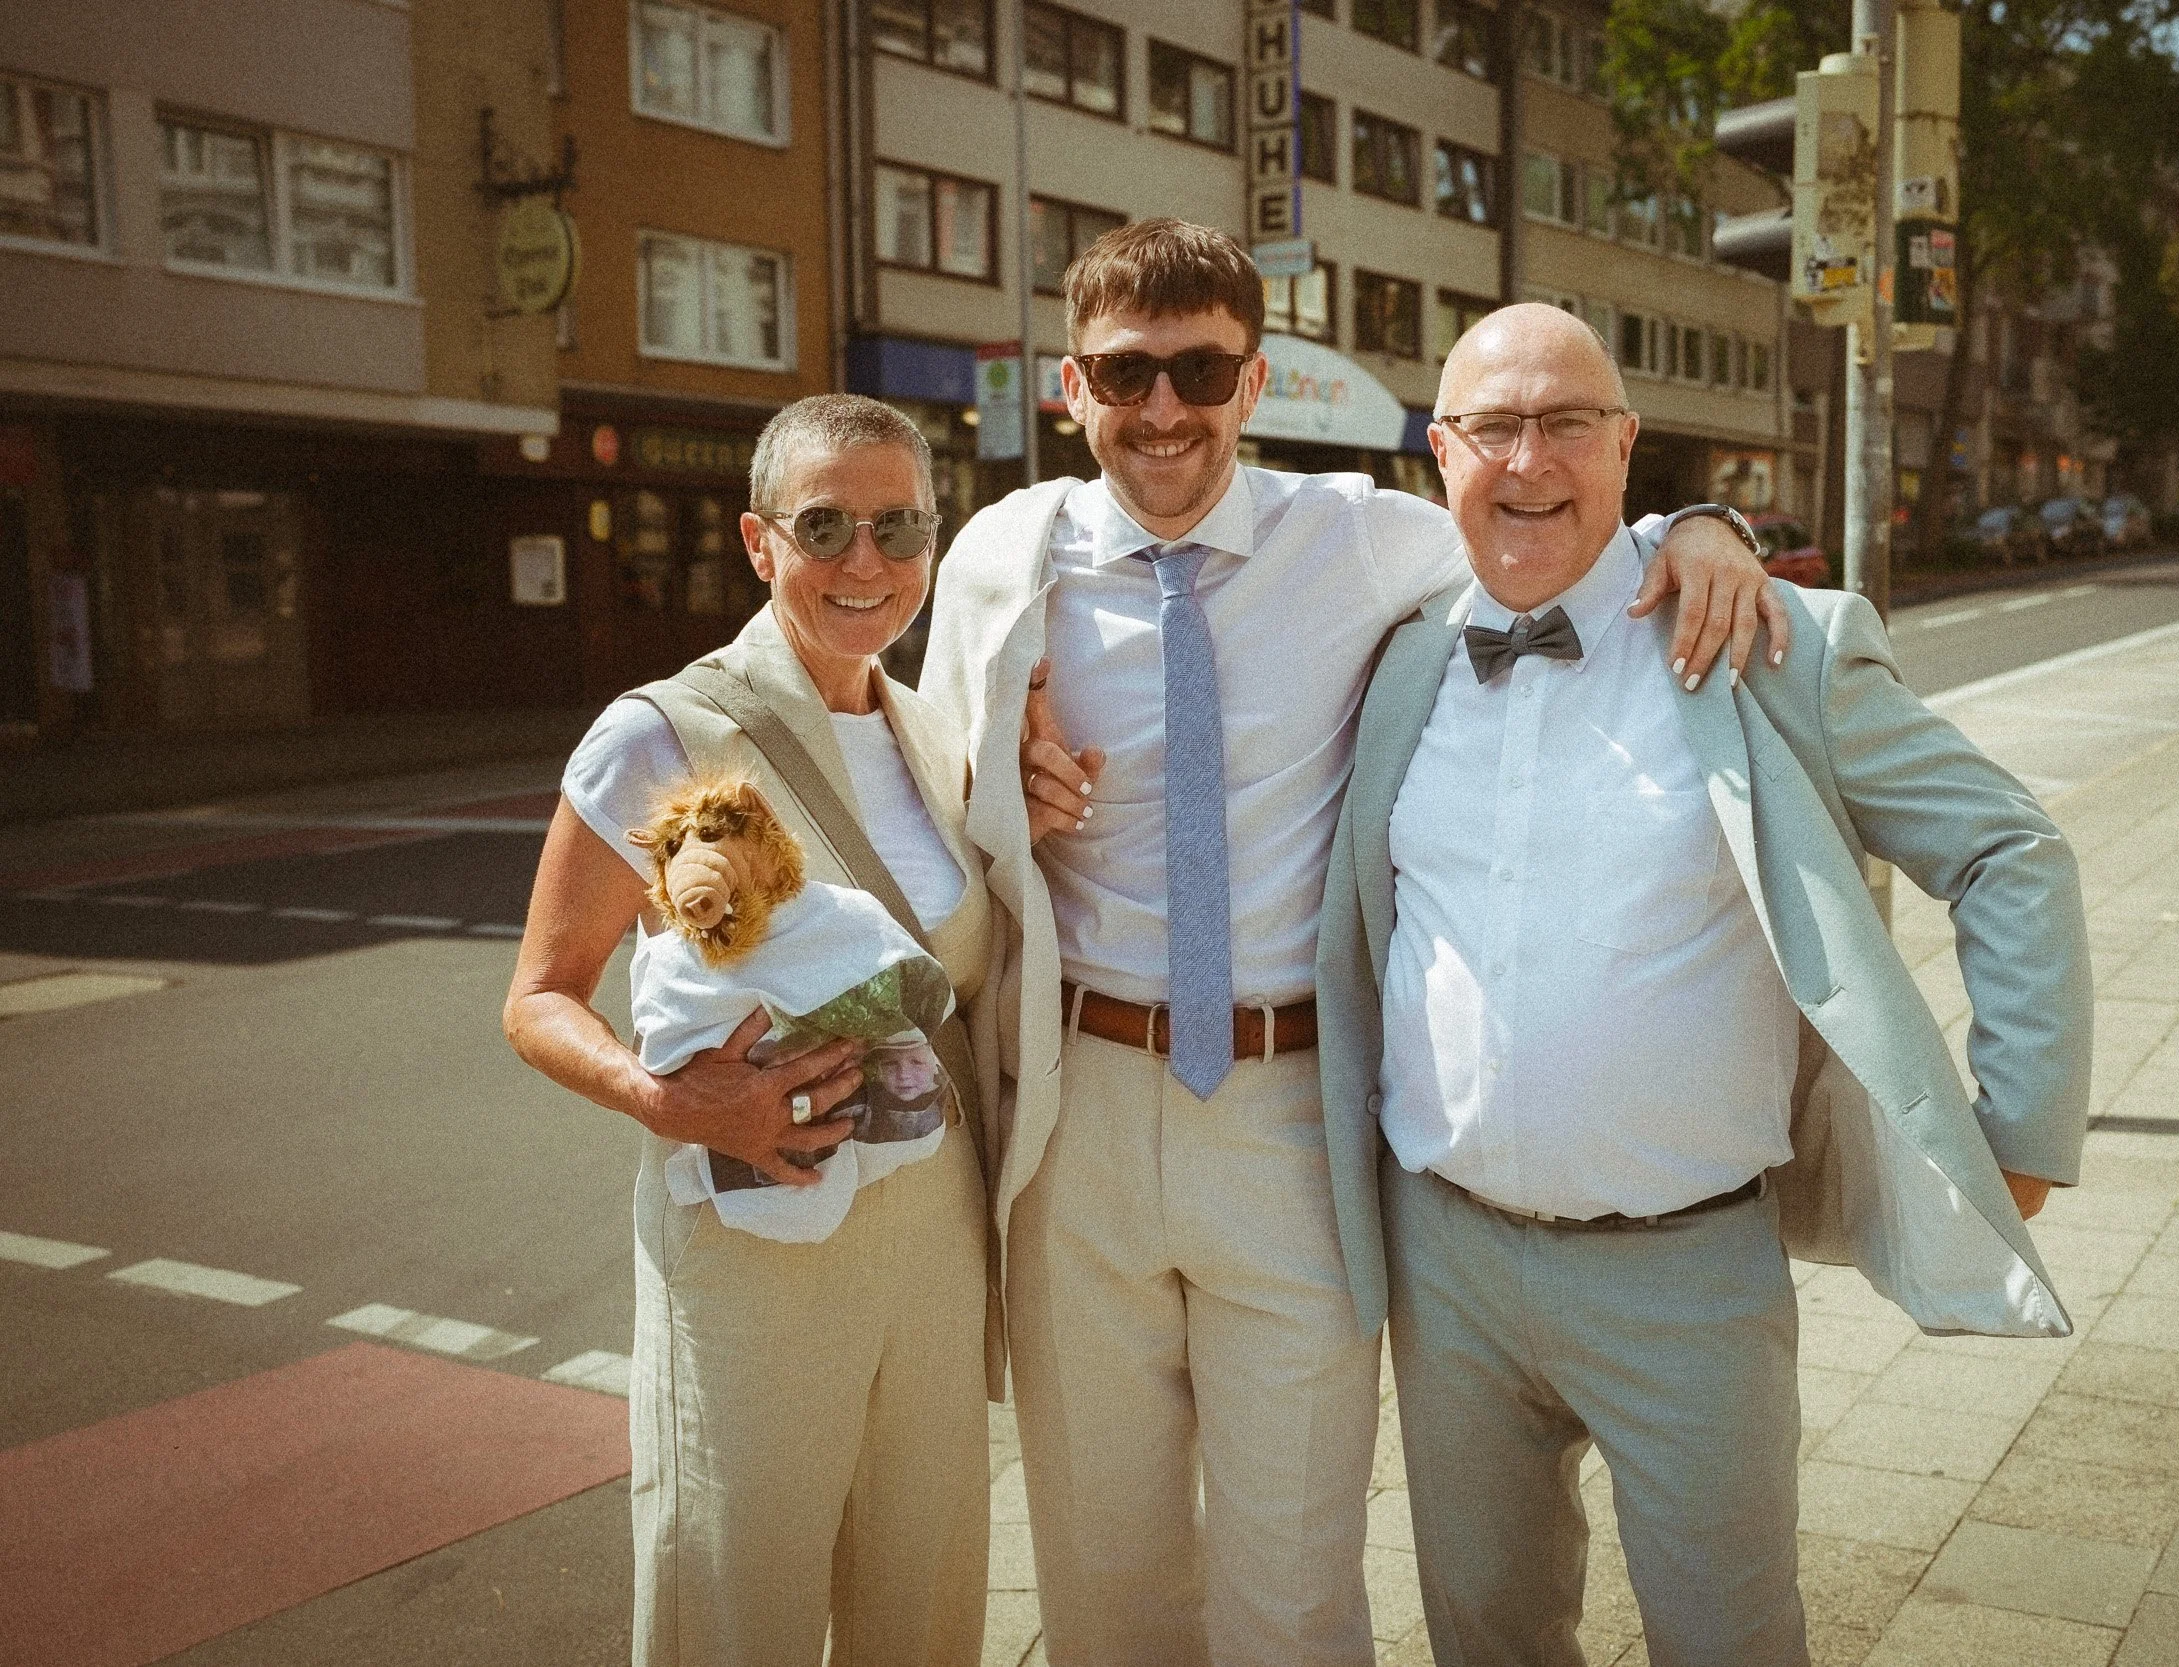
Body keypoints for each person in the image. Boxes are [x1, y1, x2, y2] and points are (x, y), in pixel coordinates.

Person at [915, 219, 1782, 1667]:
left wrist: (1709, 528)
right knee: (1102, 1576)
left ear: (1253, 383)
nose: (1165, 411)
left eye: (1202, 371)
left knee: (1296, 1582)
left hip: (1289, 1124)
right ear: (1073, 386)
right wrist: (991, 746)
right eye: (1129, 375)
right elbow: (918, 754)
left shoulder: (1371, 536)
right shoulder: (1008, 554)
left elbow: (1544, 511)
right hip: (1078, 1114)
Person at [1312, 303, 2092, 1665]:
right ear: (1440, 451)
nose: (1528, 457)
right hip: (1449, 1259)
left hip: (1687, 1268)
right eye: (1493, 425)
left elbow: (2008, 847)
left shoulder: (1763, 641)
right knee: (1482, 1630)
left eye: (1567, 421)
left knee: (1726, 1638)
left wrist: (2021, 1121)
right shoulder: (1400, 657)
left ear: (1626, 444)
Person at [504, 395, 998, 1667]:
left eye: (900, 526)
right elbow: (540, 995)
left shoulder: (934, 732)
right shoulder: (662, 729)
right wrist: (665, 1098)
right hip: (748, 1240)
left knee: (925, 1604)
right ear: (759, 542)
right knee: (735, 1609)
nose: (866, 562)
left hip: (934, 1233)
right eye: (824, 523)